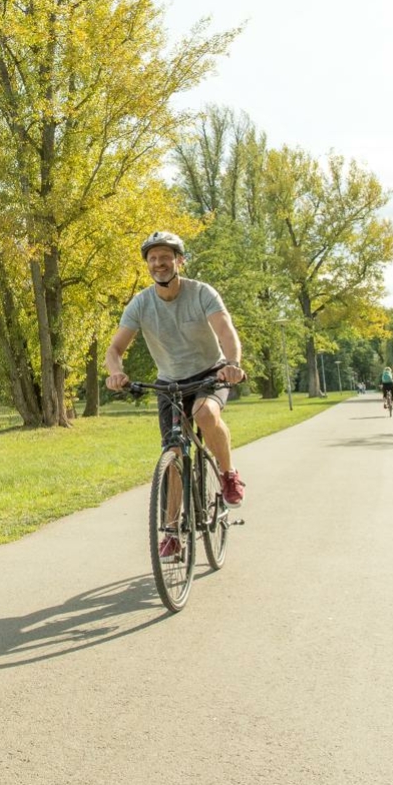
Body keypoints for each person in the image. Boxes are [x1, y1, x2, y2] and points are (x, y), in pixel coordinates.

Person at [103, 231, 248, 560]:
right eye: (153, 259)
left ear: (179, 261)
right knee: (173, 453)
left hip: (211, 374)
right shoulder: (141, 303)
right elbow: (114, 348)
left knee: (205, 415)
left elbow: (226, 331)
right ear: (148, 265)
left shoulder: (201, 293)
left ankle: (228, 475)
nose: (159, 263)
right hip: (169, 382)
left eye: (165, 257)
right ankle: (172, 531)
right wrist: (116, 372)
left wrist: (233, 364)